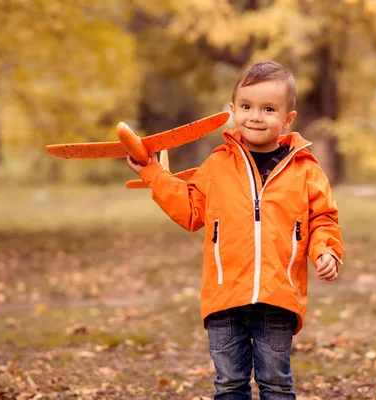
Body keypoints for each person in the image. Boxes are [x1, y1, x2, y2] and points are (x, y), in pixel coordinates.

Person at [127, 61, 344, 399]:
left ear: (288, 119)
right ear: (232, 110)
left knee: (276, 383)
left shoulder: (305, 170)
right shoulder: (217, 165)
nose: (255, 116)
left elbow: (323, 218)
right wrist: (152, 172)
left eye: (268, 109)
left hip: (278, 296)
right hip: (224, 296)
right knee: (229, 383)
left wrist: (326, 250)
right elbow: (189, 211)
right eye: (246, 106)